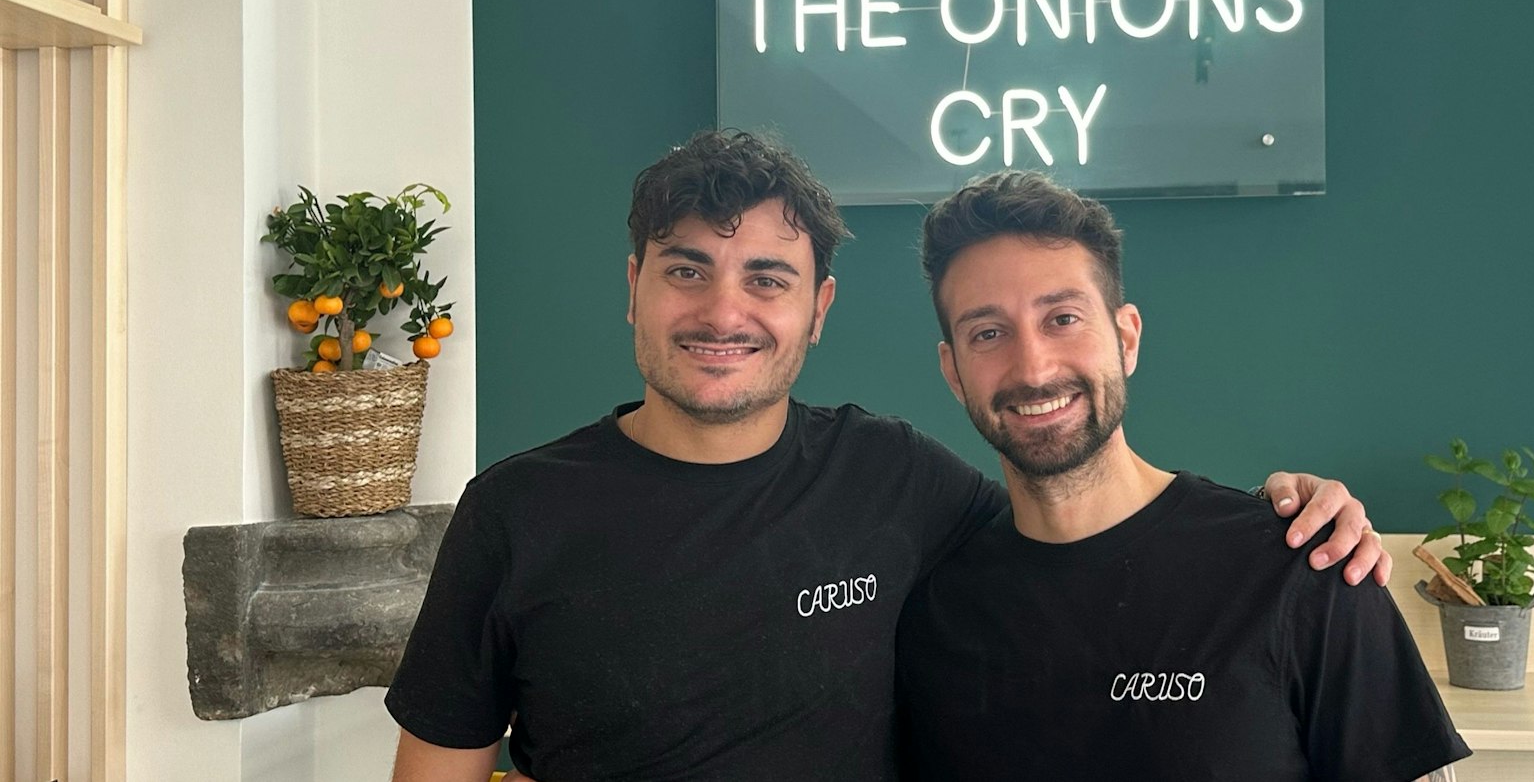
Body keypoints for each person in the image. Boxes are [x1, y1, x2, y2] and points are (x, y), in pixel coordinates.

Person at [385, 130, 1391, 782]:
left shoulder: (894, 478)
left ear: (817, 310)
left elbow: (1083, 525)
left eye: (768, 278)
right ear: (634, 285)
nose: (724, 310)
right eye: (687, 269)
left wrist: (1287, 516)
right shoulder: (514, 512)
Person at [896, 170, 1472, 781]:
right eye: (988, 333)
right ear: (955, 374)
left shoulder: (1306, 563)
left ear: (1126, 339)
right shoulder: (936, 613)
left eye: (1062, 318)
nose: (1033, 367)